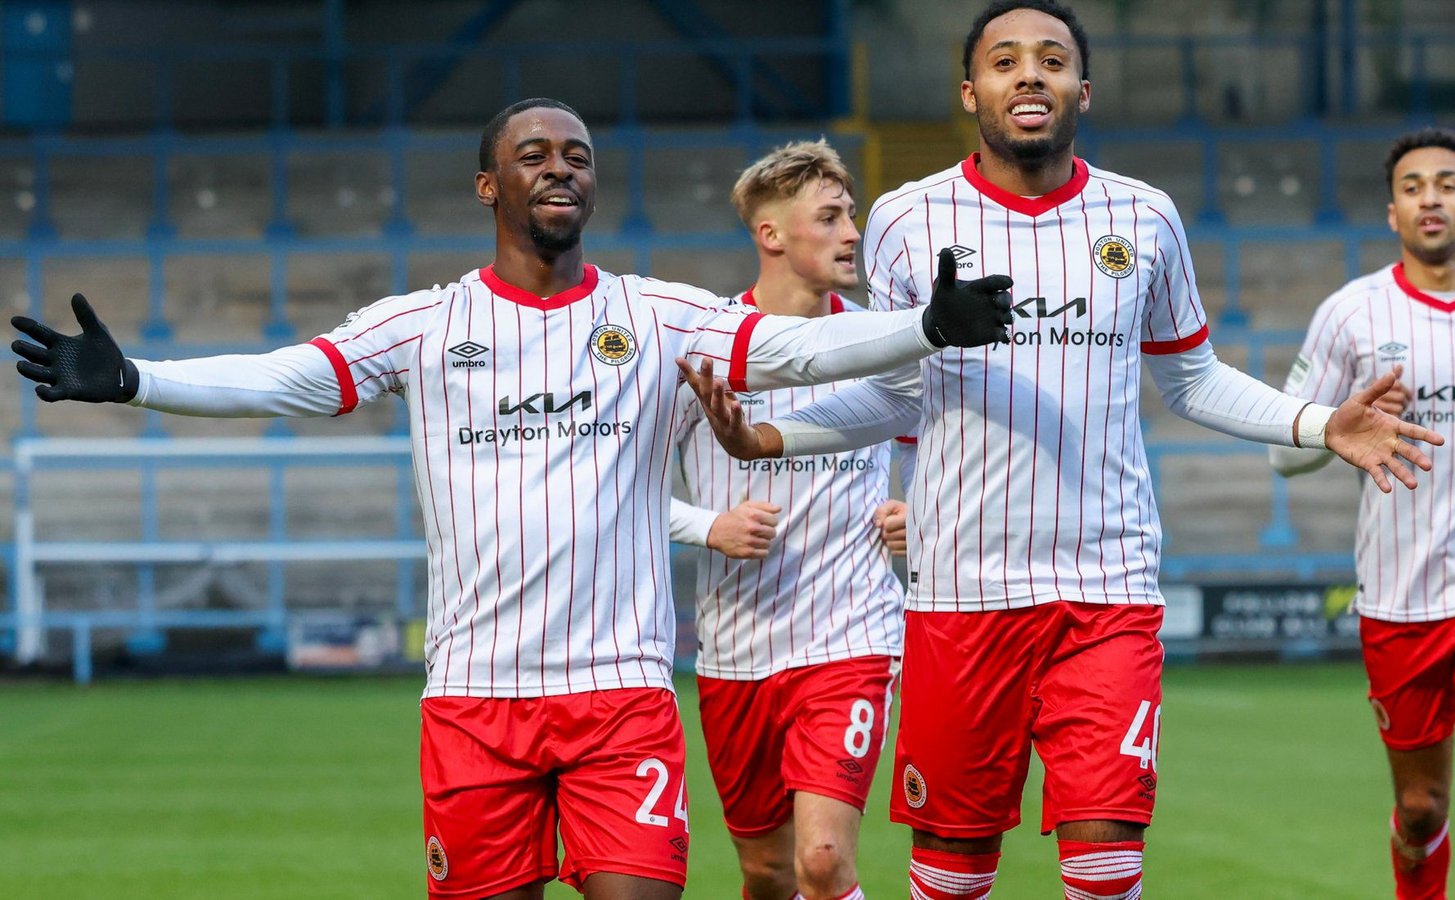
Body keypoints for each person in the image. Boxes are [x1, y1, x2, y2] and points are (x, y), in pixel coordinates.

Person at [10, 98, 1016, 900]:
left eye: (577, 156)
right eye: (535, 155)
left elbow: (796, 349)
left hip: (620, 695)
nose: (561, 169)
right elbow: (282, 378)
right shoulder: (422, 326)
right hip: (474, 701)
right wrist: (142, 378)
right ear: (490, 183)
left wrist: (924, 329)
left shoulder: (656, 316)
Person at [674, 3, 1446, 897]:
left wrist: (1319, 423)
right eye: (1006, 62)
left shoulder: (1145, 218)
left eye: (1052, 60)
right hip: (961, 593)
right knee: (953, 876)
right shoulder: (906, 221)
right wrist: (767, 436)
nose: (1029, 74)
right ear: (973, 91)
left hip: (1106, 588)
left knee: (1108, 865)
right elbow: (890, 397)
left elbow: (1192, 380)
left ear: (1087, 86)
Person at [1270, 127, 1455, 900]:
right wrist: (1345, 421)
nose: (1430, 197)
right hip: (1399, 595)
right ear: (1392, 213)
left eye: (1446, 183)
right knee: (1418, 808)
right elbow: (1285, 453)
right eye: (1412, 187)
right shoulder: (1350, 315)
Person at [667, 139, 911, 900]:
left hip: (852, 639)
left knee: (821, 863)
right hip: (735, 654)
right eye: (830, 217)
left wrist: (923, 514)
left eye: (853, 216)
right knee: (767, 874)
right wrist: (707, 526)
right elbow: (613, 491)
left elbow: (947, 452)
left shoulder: (883, 341)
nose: (852, 234)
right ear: (771, 235)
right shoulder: (698, 351)